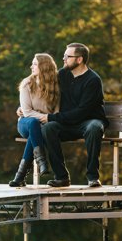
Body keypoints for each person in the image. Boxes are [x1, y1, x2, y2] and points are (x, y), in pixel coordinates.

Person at [41, 43, 109, 188]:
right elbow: (42, 89)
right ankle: (61, 177)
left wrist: (52, 117)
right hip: (67, 124)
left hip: (87, 122)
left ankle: (92, 177)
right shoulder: (62, 74)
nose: (64, 59)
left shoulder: (93, 80)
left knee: (94, 127)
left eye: (68, 56)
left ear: (79, 60)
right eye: (64, 56)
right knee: (48, 128)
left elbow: (81, 112)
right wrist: (25, 106)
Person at [9, 54, 60, 187]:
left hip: (43, 125)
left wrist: (48, 118)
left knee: (35, 131)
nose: (31, 66)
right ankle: (42, 161)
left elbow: (57, 112)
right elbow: (26, 112)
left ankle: (19, 177)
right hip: (25, 123)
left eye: (35, 64)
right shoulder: (27, 83)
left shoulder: (55, 85)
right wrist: (44, 117)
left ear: (44, 66)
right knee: (33, 123)